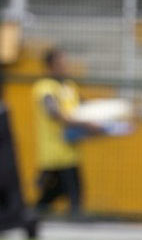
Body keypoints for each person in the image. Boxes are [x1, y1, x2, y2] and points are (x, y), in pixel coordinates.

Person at [33, 48, 101, 217]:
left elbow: (83, 108)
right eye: (61, 62)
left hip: (71, 150)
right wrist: (85, 124)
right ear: (51, 65)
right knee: (69, 191)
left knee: (59, 192)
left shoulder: (69, 86)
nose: (66, 65)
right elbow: (54, 113)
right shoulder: (44, 87)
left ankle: (35, 213)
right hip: (54, 152)